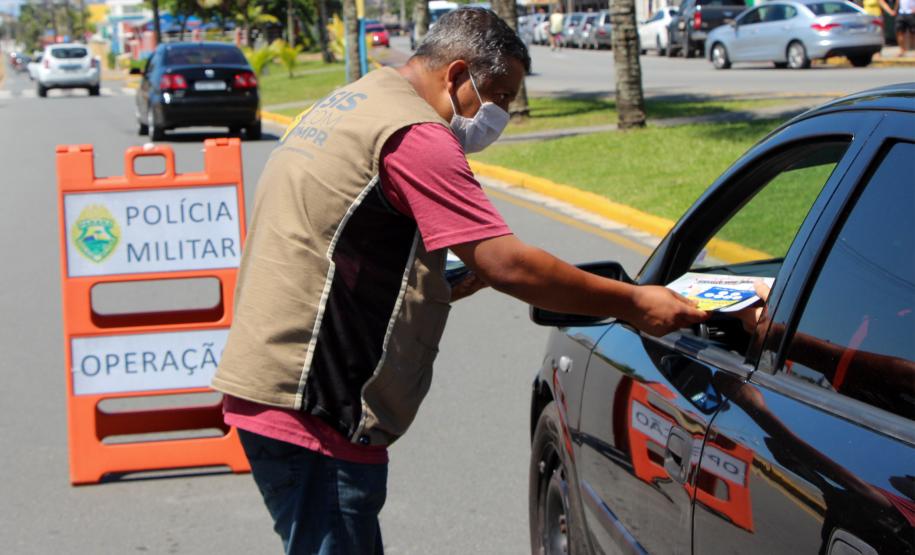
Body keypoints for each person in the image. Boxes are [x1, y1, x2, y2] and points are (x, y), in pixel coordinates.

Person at [212, 8, 707, 554]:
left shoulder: (357, 99)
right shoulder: (416, 135)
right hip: (315, 409)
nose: (500, 114)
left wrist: (429, 279)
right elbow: (508, 263)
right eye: (498, 95)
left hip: (270, 388)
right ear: (455, 74)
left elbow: (337, 236)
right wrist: (634, 302)